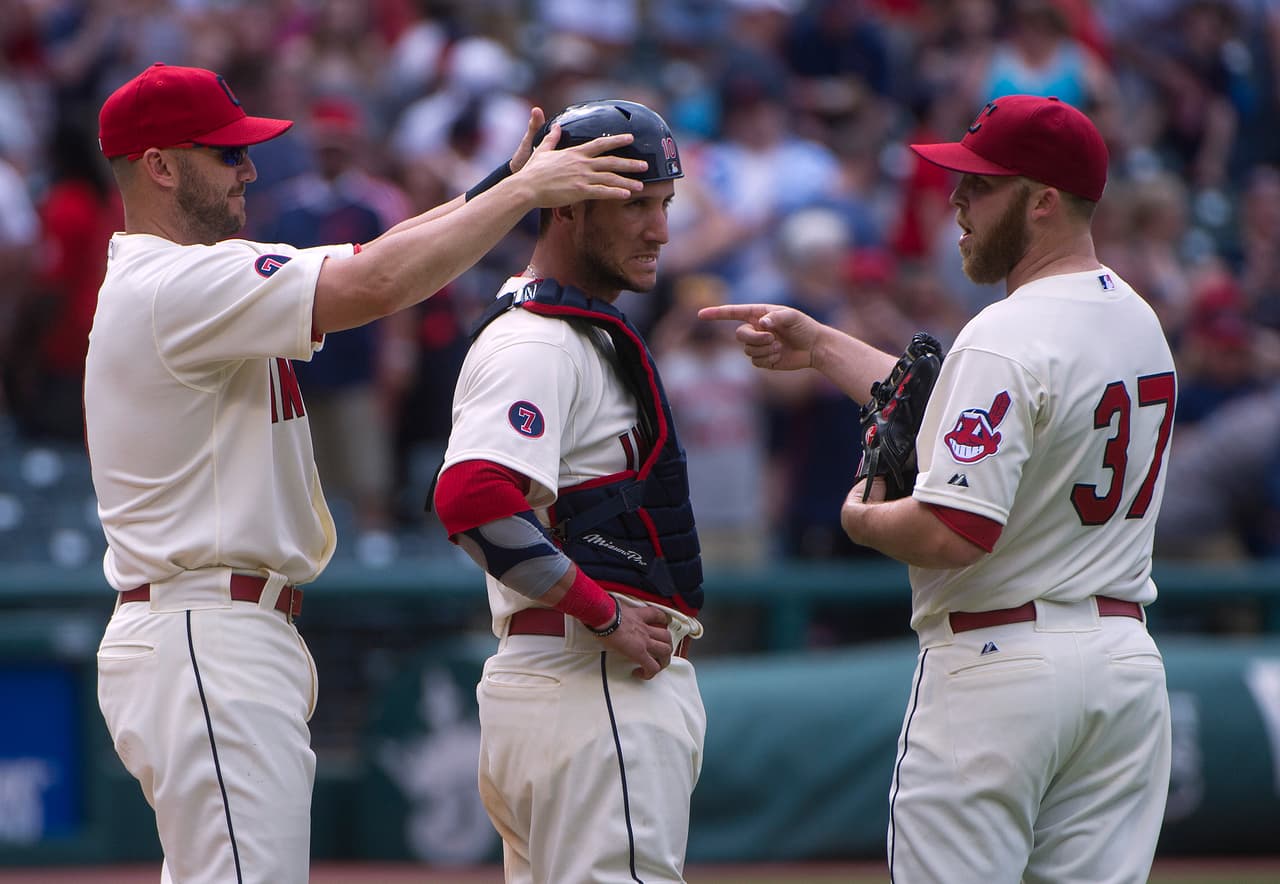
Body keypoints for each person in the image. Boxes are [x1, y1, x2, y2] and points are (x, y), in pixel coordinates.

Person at [85, 62, 647, 884]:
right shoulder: (170, 282)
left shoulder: (183, 278)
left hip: (212, 633)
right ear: (160, 165)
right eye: (224, 153)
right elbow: (378, 282)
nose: (249, 168)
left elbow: (378, 252)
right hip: (204, 629)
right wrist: (523, 197)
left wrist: (504, 182)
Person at [702, 95, 1175, 883]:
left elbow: (952, 530)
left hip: (999, 669)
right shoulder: (1137, 320)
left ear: (1046, 202)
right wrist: (821, 346)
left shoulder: (1005, 332)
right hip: (1123, 669)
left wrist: (863, 516)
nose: (955, 200)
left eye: (982, 186)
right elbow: (982, 416)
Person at [432, 99, 706, 884]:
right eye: (634, 205)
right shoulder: (540, 339)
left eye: (664, 205)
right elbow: (473, 498)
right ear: (565, 210)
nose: (658, 230)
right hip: (591, 681)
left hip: (571, 684)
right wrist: (606, 611)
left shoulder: (567, 331)